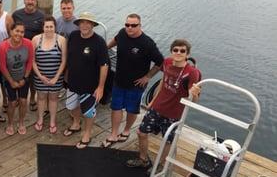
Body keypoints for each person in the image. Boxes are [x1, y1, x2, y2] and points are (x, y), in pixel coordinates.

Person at [127, 39, 201, 168]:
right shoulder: (166, 62)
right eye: (175, 50)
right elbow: (163, 82)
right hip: (157, 107)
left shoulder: (192, 73)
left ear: (187, 55)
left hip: (174, 114)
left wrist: (194, 93)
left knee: (168, 141)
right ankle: (143, 160)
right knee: (141, 133)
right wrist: (152, 101)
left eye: (182, 51)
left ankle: (160, 165)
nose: (178, 53)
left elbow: (193, 101)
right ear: (171, 51)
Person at [102, 14, 164, 148]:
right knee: (116, 107)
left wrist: (147, 77)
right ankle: (113, 134)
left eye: (133, 25)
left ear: (140, 25)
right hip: (119, 79)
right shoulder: (122, 33)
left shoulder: (147, 44)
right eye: (127, 25)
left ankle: (126, 130)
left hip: (136, 85)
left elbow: (160, 62)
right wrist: (105, 48)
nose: (130, 28)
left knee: (132, 109)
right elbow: (115, 40)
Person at [63, 12, 109, 149]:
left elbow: (104, 65)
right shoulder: (73, 36)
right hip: (72, 81)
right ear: (78, 24)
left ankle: (87, 133)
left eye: (88, 22)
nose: (84, 25)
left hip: (90, 85)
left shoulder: (99, 42)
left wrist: (100, 87)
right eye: (82, 22)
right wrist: (66, 74)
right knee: (71, 106)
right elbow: (69, 57)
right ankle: (76, 123)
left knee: (88, 112)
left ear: (93, 25)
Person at [0, 21, 33, 136]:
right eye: (17, 31)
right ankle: (10, 123)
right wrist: (11, 81)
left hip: (23, 77)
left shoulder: (28, 44)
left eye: (22, 32)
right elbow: (2, 66)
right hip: (9, 78)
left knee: (23, 101)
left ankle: (21, 122)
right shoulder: (3, 47)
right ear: (11, 31)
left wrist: (25, 78)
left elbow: (30, 62)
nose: (19, 34)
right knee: (12, 102)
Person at [32, 16, 67, 134]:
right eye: (46, 26)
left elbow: (64, 61)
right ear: (43, 27)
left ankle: (52, 121)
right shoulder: (36, 39)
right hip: (39, 77)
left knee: (53, 98)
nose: (49, 29)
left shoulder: (61, 40)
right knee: (41, 98)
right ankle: (40, 119)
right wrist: (40, 76)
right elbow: (32, 61)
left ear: (55, 27)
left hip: (56, 77)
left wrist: (56, 77)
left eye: (51, 26)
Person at [11, 0, 45, 111]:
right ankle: (17, 98)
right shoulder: (16, 14)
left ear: (36, 1)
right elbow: (12, 31)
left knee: (32, 76)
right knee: (17, 73)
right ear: (24, 0)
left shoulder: (41, 16)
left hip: (35, 51)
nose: (30, 2)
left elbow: (44, 34)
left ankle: (32, 98)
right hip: (18, 51)